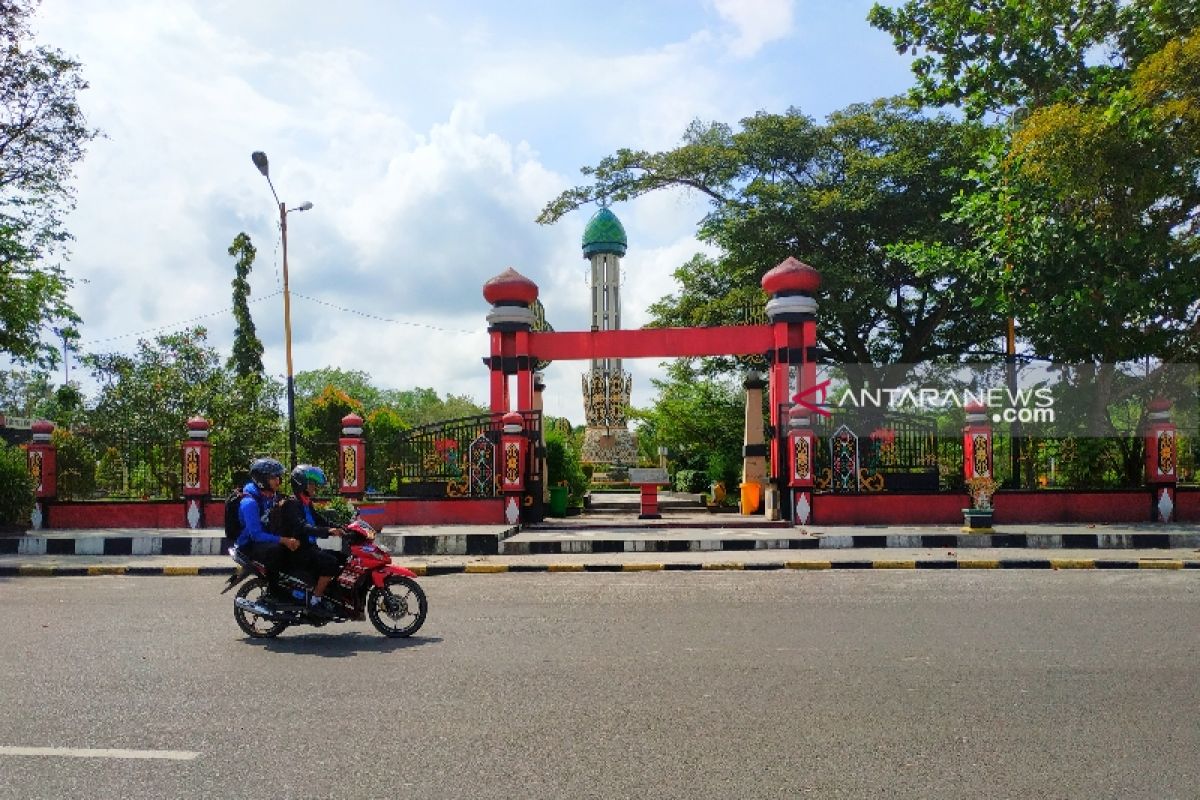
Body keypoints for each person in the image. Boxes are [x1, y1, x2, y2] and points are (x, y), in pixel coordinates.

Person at [277, 464, 344, 617]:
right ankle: (315, 601)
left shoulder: (306, 502)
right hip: (297, 551)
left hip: (308, 547)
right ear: (301, 484)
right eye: (312, 484)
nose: (314, 487)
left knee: (340, 557)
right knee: (330, 562)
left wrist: (342, 528)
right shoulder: (292, 504)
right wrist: (328, 531)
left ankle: (328, 595)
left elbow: (320, 519)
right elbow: (303, 527)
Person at [233, 458, 292, 576]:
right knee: (277, 551)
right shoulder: (249, 502)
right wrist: (283, 540)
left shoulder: (268, 496)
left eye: (278, 477)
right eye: (273, 478)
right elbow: (256, 535)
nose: (278, 481)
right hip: (248, 545)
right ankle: (274, 588)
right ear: (262, 480)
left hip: (262, 541)